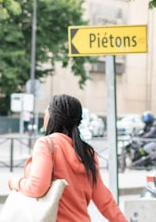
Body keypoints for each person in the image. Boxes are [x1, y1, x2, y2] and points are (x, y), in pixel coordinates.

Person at [8, 94, 127, 222]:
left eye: (47, 110)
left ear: (53, 116)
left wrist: (15, 182)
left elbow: (37, 187)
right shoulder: (87, 153)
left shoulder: (46, 145)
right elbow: (105, 201)